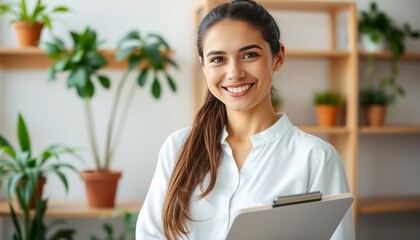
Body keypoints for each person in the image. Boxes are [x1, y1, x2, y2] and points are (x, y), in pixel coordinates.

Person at [136, 0, 355, 239]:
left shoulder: (316, 158)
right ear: (204, 66)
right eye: (218, 59)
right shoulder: (177, 148)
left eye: (249, 55)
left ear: (278, 57)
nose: (234, 73)